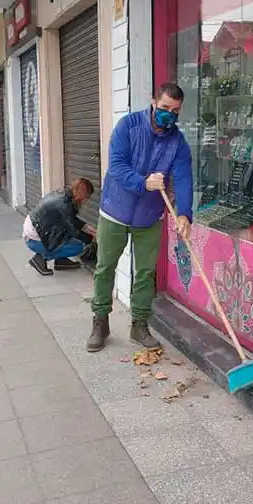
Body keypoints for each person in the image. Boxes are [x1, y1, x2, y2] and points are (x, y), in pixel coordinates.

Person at [87, 82, 193, 352]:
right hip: (115, 210)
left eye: (175, 111)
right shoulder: (128, 126)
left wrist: (184, 214)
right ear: (153, 101)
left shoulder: (178, 143)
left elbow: (183, 179)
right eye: (165, 107)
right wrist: (143, 182)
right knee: (105, 267)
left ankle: (139, 325)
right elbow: (117, 166)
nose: (169, 114)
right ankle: (100, 321)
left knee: (145, 272)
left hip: (149, 216)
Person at [23, 178, 96, 276]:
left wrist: (87, 228)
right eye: (86, 197)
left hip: (35, 228)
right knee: (78, 246)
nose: (86, 201)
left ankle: (61, 261)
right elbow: (73, 230)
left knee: (67, 236)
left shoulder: (64, 194)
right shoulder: (65, 204)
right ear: (81, 194)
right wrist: (90, 240)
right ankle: (40, 258)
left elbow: (71, 220)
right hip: (34, 237)